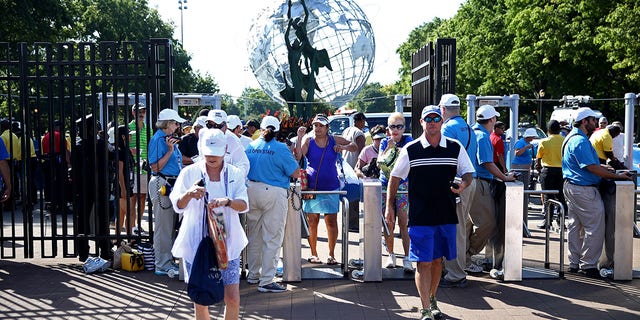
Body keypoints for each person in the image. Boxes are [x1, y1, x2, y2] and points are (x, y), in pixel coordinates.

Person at [387, 105, 474, 320]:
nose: (433, 122)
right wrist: (389, 206)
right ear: (421, 122)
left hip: (445, 213)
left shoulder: (454, 147)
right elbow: (395, 178)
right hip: (420, 215)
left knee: (437, 261)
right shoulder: (411, 149)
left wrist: (463, 184)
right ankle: (425, 308)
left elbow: (469, 172)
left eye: (436, 118)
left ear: (442, 120)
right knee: (423, 262)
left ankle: (433, 298)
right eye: (428, 118)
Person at [170, 128, 248, 320]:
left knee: (232, 297)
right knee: (201, 299)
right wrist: (189, 194)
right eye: (208, 152)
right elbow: (177, 205)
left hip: (227, 242)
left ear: (225, 150)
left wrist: (227, 201)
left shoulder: (235, 173)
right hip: (197, 242)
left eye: (217, 152)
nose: (212, 156)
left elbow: (244, 205)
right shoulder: (189, 172)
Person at [561, 107, 631, 277]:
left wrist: (603, 168)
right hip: (584, 190)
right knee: (595, 227)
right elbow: (591, 167)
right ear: (585, 121)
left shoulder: (571, 138)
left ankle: (574, 262)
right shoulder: (580, 141)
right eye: (593, 120)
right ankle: (589, 265)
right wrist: (616, 175)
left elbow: (586, 164)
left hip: (571, 186)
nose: (596, 123)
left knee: (574, 226)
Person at [245, 116, 299, 292]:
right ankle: (267, 280)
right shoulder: (281, 148)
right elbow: (296, 172)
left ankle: (253, 274)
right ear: (278, 130)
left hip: (251, 190)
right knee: (272, 237)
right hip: (273, 192)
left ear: (260, 128)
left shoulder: (251, 146)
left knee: (254, 236)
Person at [295, 113, 357, 265]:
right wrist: (299, 137)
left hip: (331, 186)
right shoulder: (308, 140)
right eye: (315, 125)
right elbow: (297, 156)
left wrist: (342, 147)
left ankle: (331, 254)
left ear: (327, 127)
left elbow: (354, 146)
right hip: (311, 187)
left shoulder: (333, 139)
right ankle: (314, 253)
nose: (318, 128)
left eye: (321, 125)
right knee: (312, 221)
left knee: (331, 221)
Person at [466, 105, 516, 273]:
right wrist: (505, 177)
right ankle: (466, 255)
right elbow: (486, 162)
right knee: (488, 223)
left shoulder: (471, 132)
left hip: (469, 182)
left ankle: (461, 259)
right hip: (479, 183)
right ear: (492, 120)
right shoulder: (482, 136)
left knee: (467, 225)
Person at [438, 93, 478, 288]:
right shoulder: (469, 127)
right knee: (460, 227)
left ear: (443, 109)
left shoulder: (446, 129)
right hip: (470, 181)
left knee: (455, 229)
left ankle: (455, 273)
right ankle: (455, 268)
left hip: (456, 183)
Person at [148, 108, 186, 276]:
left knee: (169, 226)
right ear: (167, 123)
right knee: (164, 226)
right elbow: (155, 167)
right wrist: (170, 151)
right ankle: (162, 263)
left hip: (169, 183)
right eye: (175, 123)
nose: (177, 126)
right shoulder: (158, 140)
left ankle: (166, 261)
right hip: (162, 182)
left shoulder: (166, 138)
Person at [72, 114, 111, 262]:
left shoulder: (78, 146)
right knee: (102, 218)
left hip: (83, 186)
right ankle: (105, 249)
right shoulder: (101, 144)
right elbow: (112, 156)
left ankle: (83, 251)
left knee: (83, 219)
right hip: (100, 184)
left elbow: (74, 167)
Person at [379, 112, 414, 271]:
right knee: (388, 222)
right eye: (392, 126)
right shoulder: (385, 142)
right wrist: (389, 148)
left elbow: (410, 162)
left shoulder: (409, 141)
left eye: (399, 126)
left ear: (404, 128)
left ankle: (407, 257)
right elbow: (381, 163)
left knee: (404, 222)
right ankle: (390, 254)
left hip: (403, 187)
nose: (396, 130)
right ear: (388, 128)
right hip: (386, 186)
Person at [534, 120, 566, 229]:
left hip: (548, 171)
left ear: (548, 130)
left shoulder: (544, 141)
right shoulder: (564, 141)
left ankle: (547, 221)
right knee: (561, 196)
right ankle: (561, 222)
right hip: (561, 171)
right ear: (559, 129)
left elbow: (538, 159)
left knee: (548, 196)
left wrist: (538, 168)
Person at [341, 112, 366, 232]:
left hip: (345, 166)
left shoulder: (347, 130)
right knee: (355, 196)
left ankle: (347, 222)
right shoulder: (359, 133)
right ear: (361, 121)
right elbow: (362, 151)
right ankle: (353, 223)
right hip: (354, 167)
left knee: (347, 194)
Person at [205, 110, 250, 175]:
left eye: (217, 126)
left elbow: (243, 165)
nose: (213, 129)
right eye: (209, 125)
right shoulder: (203, 135)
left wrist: (230, 178)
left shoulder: (233, 140)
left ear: (225, 127)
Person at [42, 120, 71, 214]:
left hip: (48, 161)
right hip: (59, 161)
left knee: (50, 183)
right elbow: (65, 151)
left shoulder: (45, 137)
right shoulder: (59, 136)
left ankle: (50, 203)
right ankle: (62, 205)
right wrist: (69, 163)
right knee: (61, 183)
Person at [129, 103, 149, 235]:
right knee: (133, 197)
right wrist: (130, 150)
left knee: (142, 197)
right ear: (133, 113)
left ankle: (139, 224)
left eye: (143, 111)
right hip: (132, 167)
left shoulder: (148, 129)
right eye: (138, 111)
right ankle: (132, 225)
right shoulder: (128, 127)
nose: (141, 114)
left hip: (144, 168)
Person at [115, 125, 136, 234]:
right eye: (129, 134)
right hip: (123, 185)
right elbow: (119, 171)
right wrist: (123, 188)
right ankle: (129, 237)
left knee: (122, 213)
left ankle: (117, 239)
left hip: (128, 184)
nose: (131, 136)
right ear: (123, 136)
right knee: (130, 212)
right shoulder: (120, 151)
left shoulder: (125, 149)